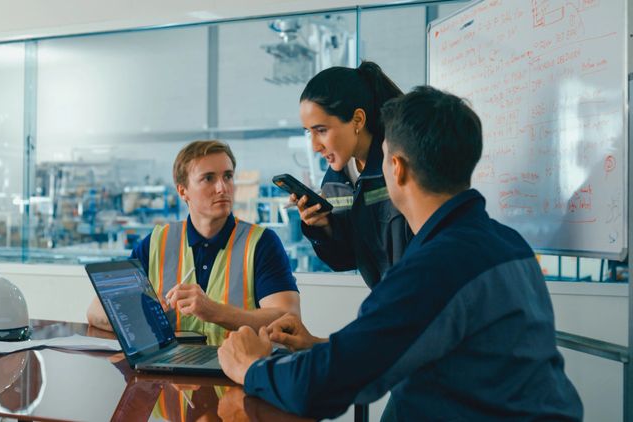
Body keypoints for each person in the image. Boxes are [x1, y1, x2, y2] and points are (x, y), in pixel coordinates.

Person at [218, 87, 583, 421]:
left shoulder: (433, 268)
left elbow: (321, 390)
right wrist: (319, 346)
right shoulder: (507, 244)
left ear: (397, 167)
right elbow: (443, 345)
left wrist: (251, 368)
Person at [87, 140, 300, 346]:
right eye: (208, 178)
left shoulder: (262, 243)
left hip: (239, 368)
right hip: (169, 369)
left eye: (228, 176)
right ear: (183, 191)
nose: (222, 188)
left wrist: (214, 311)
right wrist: (144, 317)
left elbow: (288, 320)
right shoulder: (157, 242)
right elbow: (96, 311)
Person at [294, 61, 413, 287]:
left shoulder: (401, 165)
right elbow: (346, 259)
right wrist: (323, 228)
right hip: (387, 299)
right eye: (309, 132)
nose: (315, 146)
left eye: (321, 130)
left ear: (358, 120)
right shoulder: (335, 180)